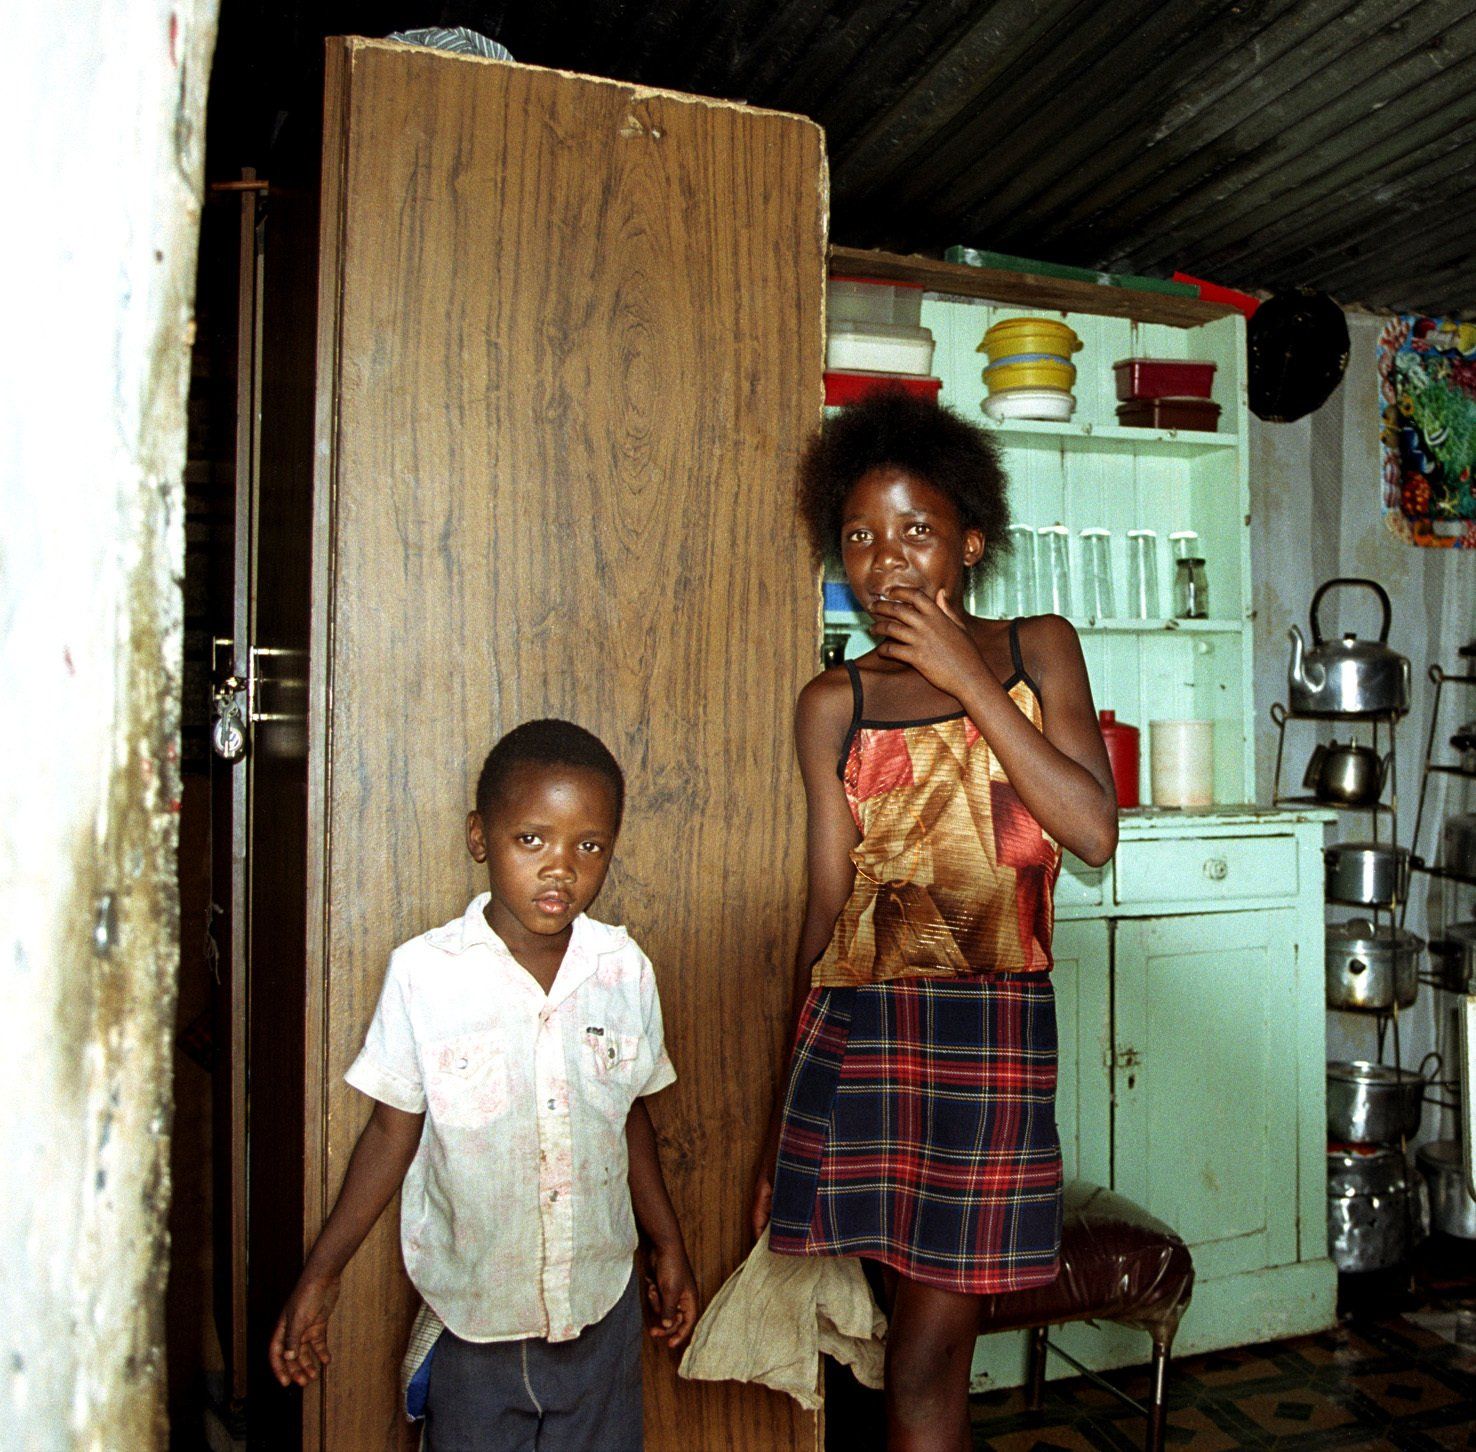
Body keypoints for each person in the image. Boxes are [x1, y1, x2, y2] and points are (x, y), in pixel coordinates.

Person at [750, 390, 1118, 1452]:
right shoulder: (834, 702)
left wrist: (964, 673)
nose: (886, 561)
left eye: (915, 529)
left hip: (992, 1039)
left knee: (923, 1356)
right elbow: (828, 909)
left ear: (971, 541)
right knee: (884, 1358)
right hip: (860, 1040)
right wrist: (783, 1111)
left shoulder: (1040, 649)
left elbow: (1092, 832)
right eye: (861, 536)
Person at [269, 719, 697, 1451]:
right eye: (531, 840)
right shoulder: (426, 974)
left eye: (589, 846)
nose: (560, 869)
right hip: (474, 1320)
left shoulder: (623, 970)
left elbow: (629, 1118)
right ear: (480, 837)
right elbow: (390, 1132)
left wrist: (667, 1244)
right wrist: (321, 1274)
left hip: (602, 1309)